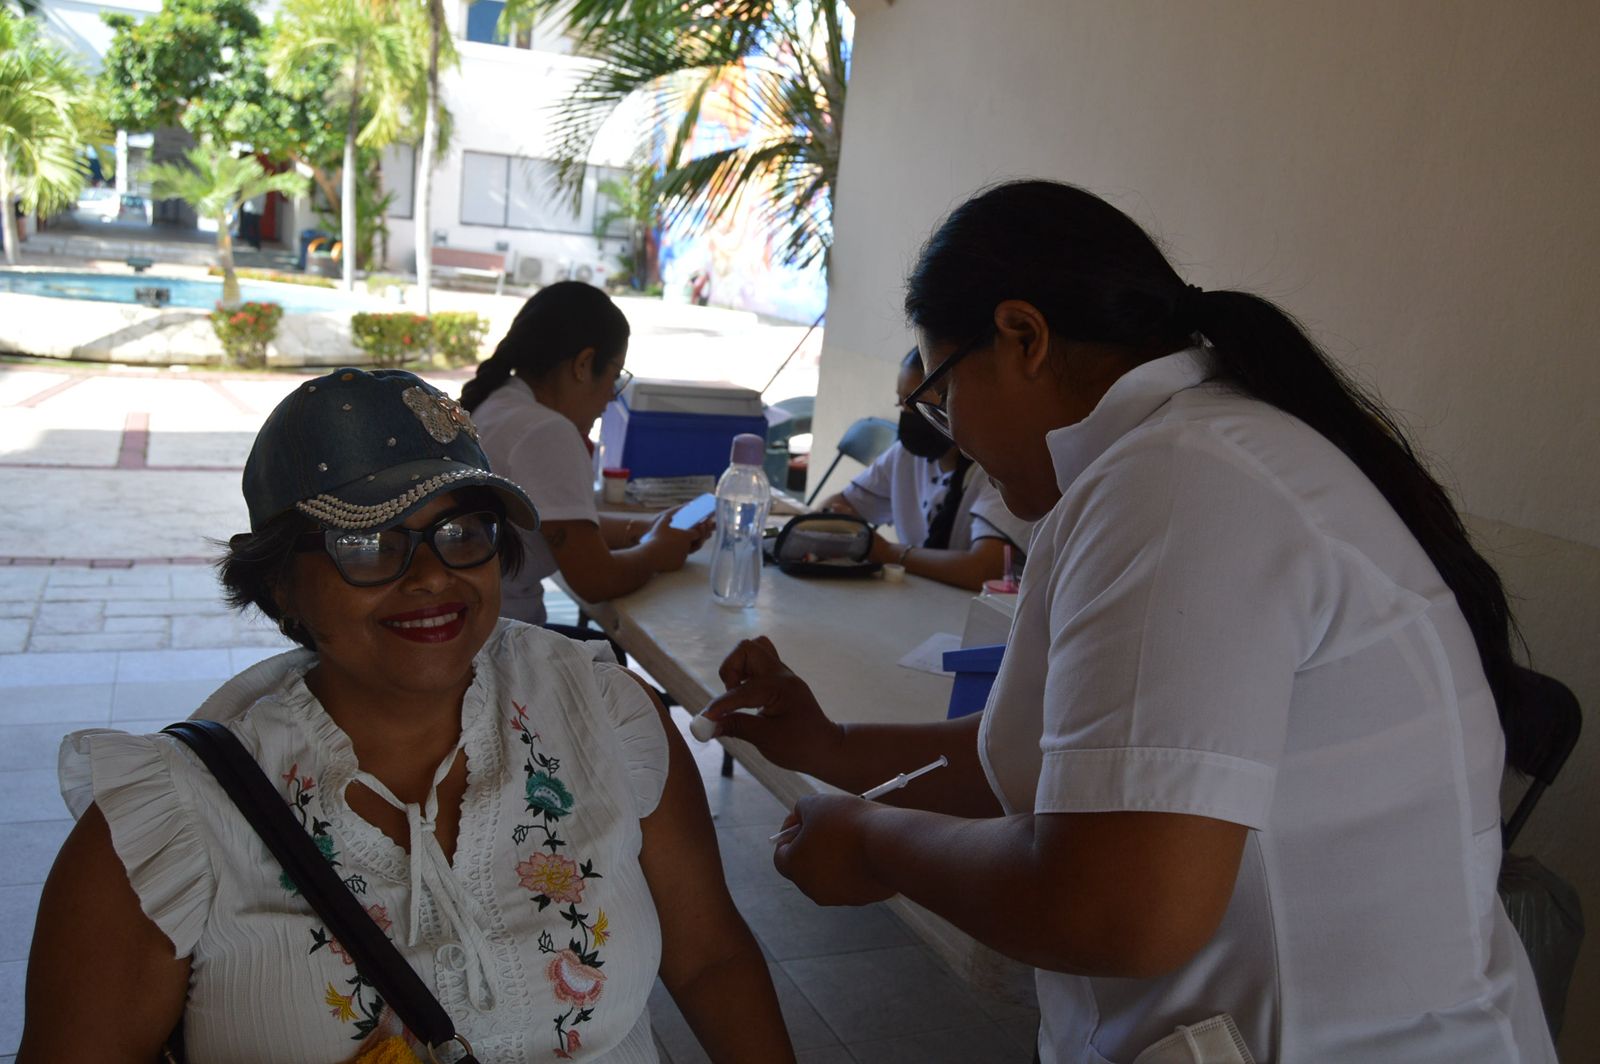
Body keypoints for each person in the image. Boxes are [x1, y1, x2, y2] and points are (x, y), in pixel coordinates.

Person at [698, 181, 1556, 1063]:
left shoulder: (1179, 482)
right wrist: (832, 745)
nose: (951, 437)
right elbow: (1082, 766)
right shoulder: (1186, 457)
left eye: (943, 399)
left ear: (1023, 338)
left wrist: (875, 843)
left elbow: (1119, 909)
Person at [22, 368, 793, 1063]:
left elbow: (709, 958)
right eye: (367, 541)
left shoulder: (603, 715)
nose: (430, 576)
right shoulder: (167, 826)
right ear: (282, 582)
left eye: (461, 533)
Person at [461, 282, 710, 627]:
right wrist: (658, 552)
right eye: (615, 375)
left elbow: (561, 521)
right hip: (495, 645)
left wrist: (647, 528)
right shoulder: (547, 431)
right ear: (583, 364)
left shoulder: (500, 402)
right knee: (612, 664)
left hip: (478, 630)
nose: (611, 396)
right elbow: (597, 580)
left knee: (603, 655)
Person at [818, 347, 1033, 590]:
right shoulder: (906, 455)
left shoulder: (996, 468)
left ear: (954, 400)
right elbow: (839, 503)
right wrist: (836, 517)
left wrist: (887, 552)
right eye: (901, 405)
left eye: (915, 404)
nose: (907, 416)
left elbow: (983, 568)